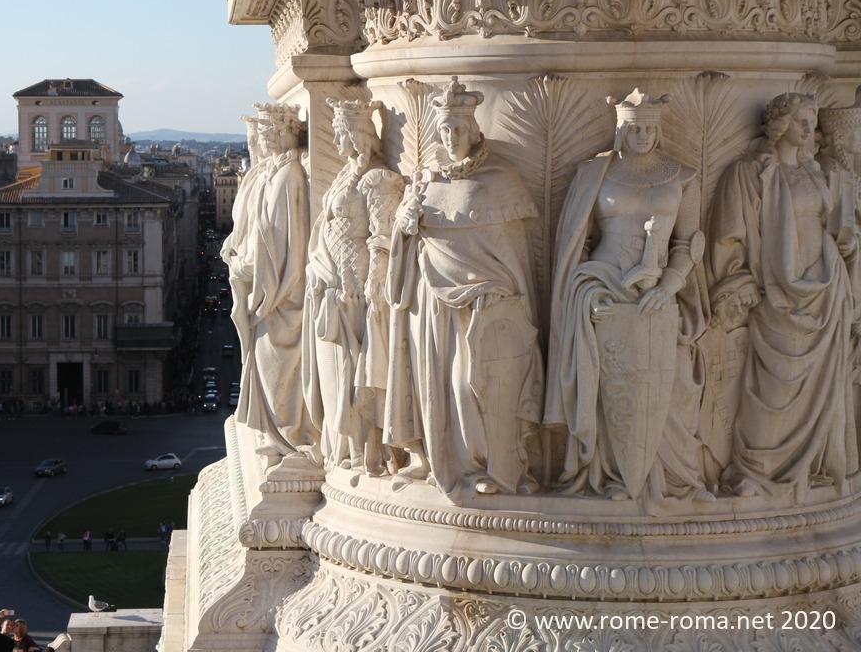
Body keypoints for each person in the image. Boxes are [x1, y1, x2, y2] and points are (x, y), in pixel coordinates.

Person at [547, 89, 711, 502]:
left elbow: (689, 241)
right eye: (633, 127)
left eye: (649, 127)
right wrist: (586, 294)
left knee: (666, 389)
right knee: (608, 388)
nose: (641, 135)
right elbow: (577, 244)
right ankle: (609, 475)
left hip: (659, 293)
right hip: (604, 289)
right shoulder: (594, 174)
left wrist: (671, 284)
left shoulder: (682, 175)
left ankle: (668, 477)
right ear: (621, 128)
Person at [386, 78, 544, 500]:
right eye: (444, 130)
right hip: (432, 303)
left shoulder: (500, 179)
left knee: (469, 385)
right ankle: (442, 462)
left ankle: (487, 465)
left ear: (474, 131)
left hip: (483, 308)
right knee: (435, 386)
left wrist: (502, 291)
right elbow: (405, 243)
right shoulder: (425, 180)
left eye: (458, 128)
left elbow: (512, 256)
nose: (450, 137)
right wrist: (404, 228)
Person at [708, 92, 858, 499]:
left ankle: (805, 467)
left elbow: (830, 226)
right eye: (800, 120)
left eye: (812, 120)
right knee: (772, 388)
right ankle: (753, 471)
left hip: (824, 292)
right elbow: (729, 233)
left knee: (817, 388)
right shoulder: (753, 171)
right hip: (777, 292)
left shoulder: (814, 173)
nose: (809, 128)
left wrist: (846, 241)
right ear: (778, 124)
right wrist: (736, 279)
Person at [303, 98, 403, 474]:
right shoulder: (347, 174)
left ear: (358, 134)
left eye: (342, 132)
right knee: (335, 378)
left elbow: (383, 239)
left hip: (357, 295)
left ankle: (367, 453)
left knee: (359, 373)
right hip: (331, 290)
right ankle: (344, 450)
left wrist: (372, 289)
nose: (337, 139)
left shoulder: (377, 179)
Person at [236, 103, 315, 461]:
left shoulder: (288, 177)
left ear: (284, 134)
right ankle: (280, 432)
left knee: (275, 361)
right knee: (269, 361)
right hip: (273, 288)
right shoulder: (276, 173)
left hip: (281, 292)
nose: (261, 142)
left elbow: (280, 243)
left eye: (267, 135)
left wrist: (247, 268)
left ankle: (287, 435)